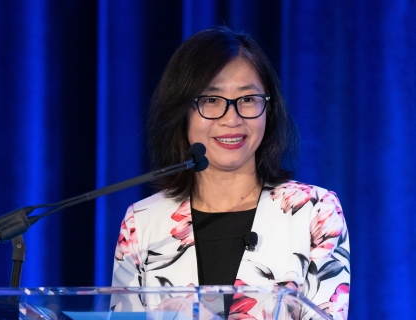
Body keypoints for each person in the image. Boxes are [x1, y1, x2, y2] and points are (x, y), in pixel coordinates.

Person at [111, 26, 350, 320]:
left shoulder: (314, 212)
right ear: (182, 111)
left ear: (268, 109)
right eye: (211, 100)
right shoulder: (142, 223)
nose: (231, 119)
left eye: (248, 99)